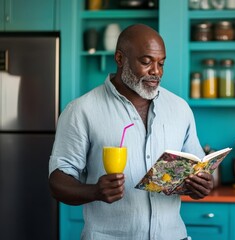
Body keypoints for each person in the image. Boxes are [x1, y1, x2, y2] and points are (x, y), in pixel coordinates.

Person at [49, 24, 214, 240]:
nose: (156, 71)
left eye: (161, 63)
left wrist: (202, 184)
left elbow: (197, 167)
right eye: (146, 62)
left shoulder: (179, 108)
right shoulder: (81, 110)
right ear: (120, 58)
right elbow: (57, 182)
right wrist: (95, 192)